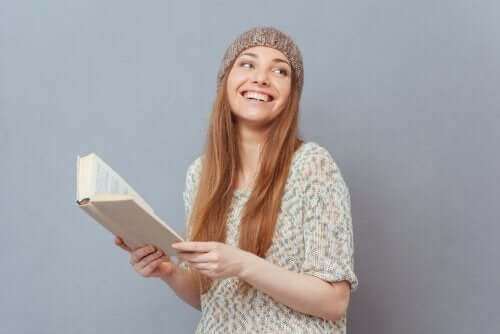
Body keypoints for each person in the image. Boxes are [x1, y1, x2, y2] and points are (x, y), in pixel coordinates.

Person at [115, 26, 358, 333]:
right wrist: (168, 271)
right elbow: (214, 299)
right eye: (247, 64)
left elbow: (334, 302)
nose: (261, 78)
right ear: (225, 82)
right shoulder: (201, 174)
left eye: (280, 71)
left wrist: (243, 264)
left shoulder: (312, 166)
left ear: (291, 94)